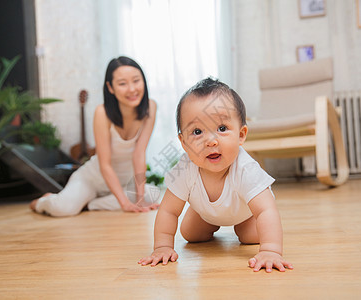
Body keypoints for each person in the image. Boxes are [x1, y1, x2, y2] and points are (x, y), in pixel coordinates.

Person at [138, 78, 293, 272]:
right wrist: (162, 247)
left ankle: (243, 224)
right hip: (206, 213)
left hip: (245, 212)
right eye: (197, 131)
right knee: (190, 234)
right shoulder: (184, 168)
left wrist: (271, 250)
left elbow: (266, 210)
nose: (211, 141)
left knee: (251, 236)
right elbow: (168, 210)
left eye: (222, 129)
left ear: (241, 134)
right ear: (184, 143)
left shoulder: (245, 169)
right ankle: (204, 212)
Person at [30, 56, 160, 217]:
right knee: (63, 209)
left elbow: (139, 154)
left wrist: (140, 199)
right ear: (110, 88)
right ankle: (44, 201)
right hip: (93, 179)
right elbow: (105, 164)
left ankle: (90, 204)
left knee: (149, 194)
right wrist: (125, 204)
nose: (132, 89)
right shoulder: (102, 113)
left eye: (136, 80)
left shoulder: (150, 107)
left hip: (125, 181)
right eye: (122, 84)